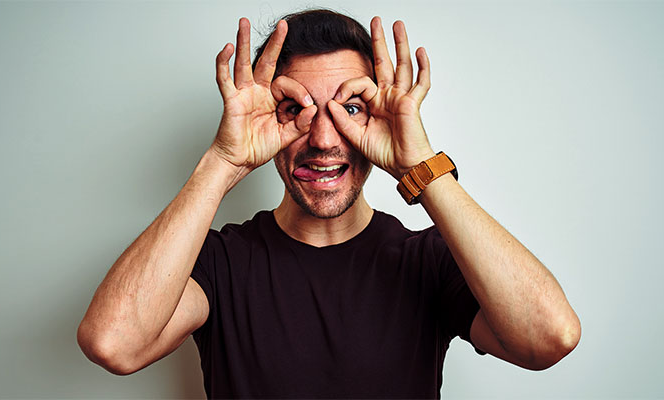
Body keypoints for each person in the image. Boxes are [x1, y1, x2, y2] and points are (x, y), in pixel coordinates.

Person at [77, 9, 581, 399]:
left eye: (350, 109)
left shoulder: (428, 260)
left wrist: (419, 163)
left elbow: (550, 338)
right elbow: (114, 343)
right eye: (292, 109)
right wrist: (224, 162)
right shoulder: (218, 263)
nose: (322, 138)